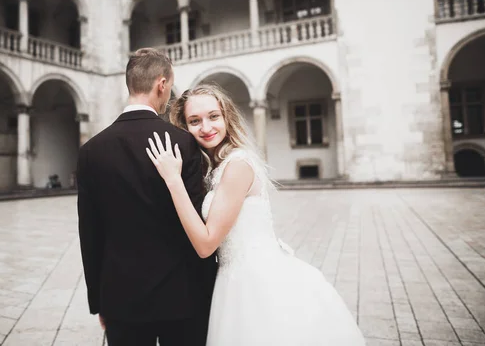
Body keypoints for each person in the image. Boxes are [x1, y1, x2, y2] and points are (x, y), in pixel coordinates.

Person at [146, 84, 367, 345]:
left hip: (257, 283)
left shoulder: (237, 166)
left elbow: (206, 244)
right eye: (195, 121)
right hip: (233, 280)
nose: (206, 127)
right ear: (185, 126)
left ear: (227, 117)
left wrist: (173, 180)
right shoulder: (217, 166)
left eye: (213, 116)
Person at [76, 48, 217, 346]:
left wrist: (99, 301)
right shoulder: (182, 142)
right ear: (162, 84)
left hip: (120, 298)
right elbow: (195, 219)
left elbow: (90, 234)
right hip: (183, 296)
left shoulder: (90, 151)